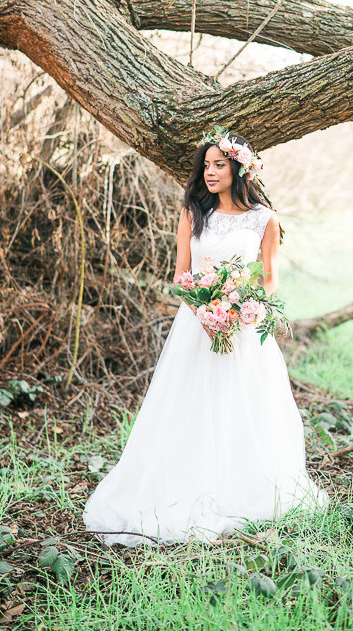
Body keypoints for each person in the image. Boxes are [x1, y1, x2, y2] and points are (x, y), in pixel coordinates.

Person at [83, 128, 329, 546]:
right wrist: (207, 312)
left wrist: (242, 307)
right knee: (188, 407)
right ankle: (182, 485)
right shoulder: (193, 213)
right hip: (195, 327)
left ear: (238, 167)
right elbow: (181, 275)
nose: (210, 172)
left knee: (245, 407)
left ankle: (243, 489)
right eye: (206, 166)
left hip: (246, 328)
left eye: (219, 164)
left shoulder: (264, 219)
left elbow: (269, 279)